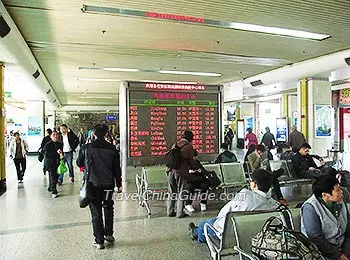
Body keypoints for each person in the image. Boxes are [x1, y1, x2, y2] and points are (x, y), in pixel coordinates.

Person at [188, 169, 281, 243]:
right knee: (208, 223)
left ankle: (196, 233)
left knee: (205, 223)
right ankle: (196, 230)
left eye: (251, 181)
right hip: (258, 235)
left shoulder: (245, 195)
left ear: (255, 184)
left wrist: (218, 221)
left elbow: (224, 213)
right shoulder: (274, 205)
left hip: (231, 235)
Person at [76, 124, 122, 249]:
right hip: (108, 185)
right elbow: (116, 169)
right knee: (108, 207)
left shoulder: (86, 148)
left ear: (94, 134)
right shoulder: (112, 148)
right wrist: (119, 184)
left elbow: (79, 163)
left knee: (96, 212)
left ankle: (99, 240)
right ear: (106, 134)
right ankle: (108, 234)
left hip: (93, 185)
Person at [301, 174, 350, 260]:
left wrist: (346, 253)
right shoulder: (310, 208)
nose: (341, 192)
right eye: (337, 190)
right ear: (325, 195)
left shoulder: (340, 202)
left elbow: (348, 231)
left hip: (343, 248)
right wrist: (338, 256)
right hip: (321, 252)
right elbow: (316, 239)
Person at [167, 130, 196, 218]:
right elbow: (191, 161)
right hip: (180, 172)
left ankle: (170, 211)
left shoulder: (175, 144)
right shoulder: (189, 147)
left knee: (172, 192)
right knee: (182, 192)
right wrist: (193, 168)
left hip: (170, 170)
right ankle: (180, 213)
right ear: (191, 138)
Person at [43, 131, 63, 198]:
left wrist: (61, 155)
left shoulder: (59, 144)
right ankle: (54, 191)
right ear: (50, 136)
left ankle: (50, 187)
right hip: (50, 162)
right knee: (53, 176)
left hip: (57, 162)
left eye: (57, 135)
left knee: (54, 176)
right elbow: (47, 154)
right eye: (53, 135)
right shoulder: (48, 145)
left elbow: (61, 153)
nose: (55, 136)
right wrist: (56, 153)